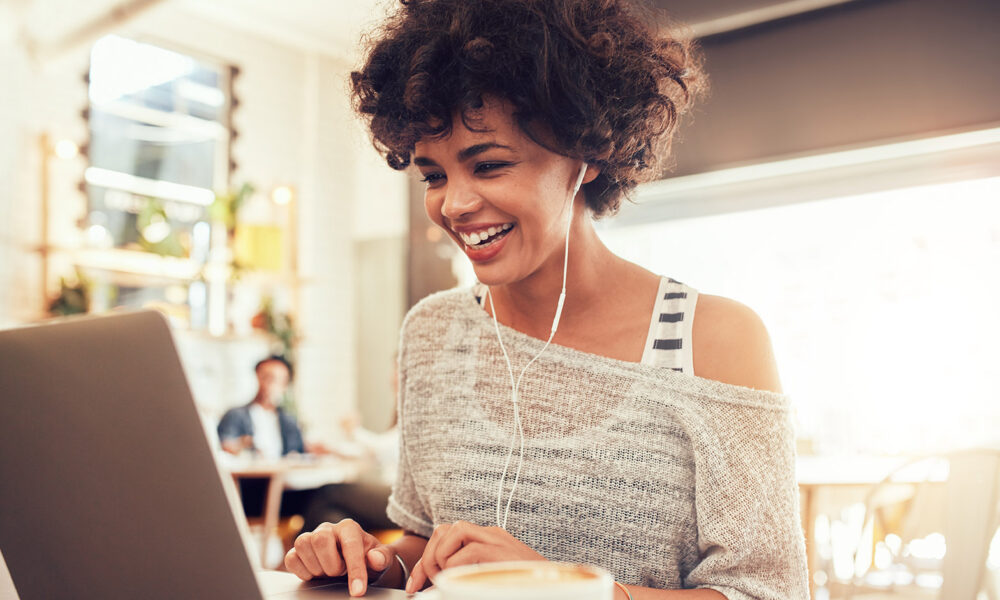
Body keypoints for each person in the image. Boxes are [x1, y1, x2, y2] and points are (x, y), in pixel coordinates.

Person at [286, 1, 808, 598]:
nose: (452, 204)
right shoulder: (432, 334)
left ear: (586, 154)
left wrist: (564, 588)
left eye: (488, 164)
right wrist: (375, 562)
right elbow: (428, 544)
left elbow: (769, 593)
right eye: (433, 175)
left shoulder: (712, 339)